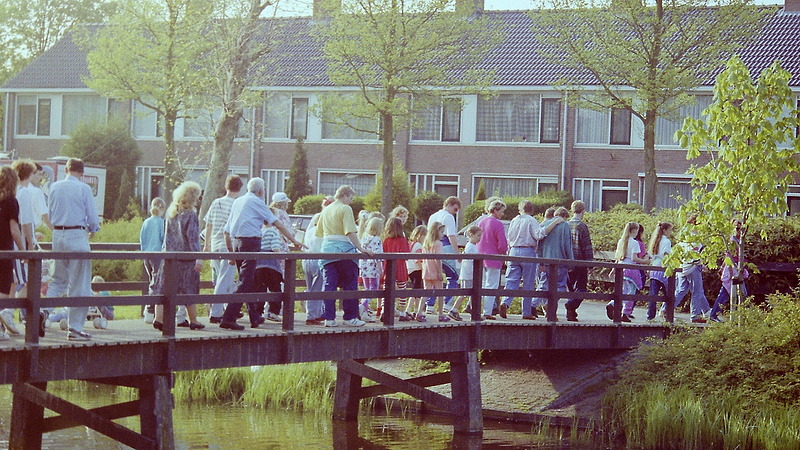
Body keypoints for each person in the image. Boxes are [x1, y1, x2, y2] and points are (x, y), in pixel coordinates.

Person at [219, 178, 304, 330]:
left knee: (247, 281)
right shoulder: (257, 201)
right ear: (260, 191)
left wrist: (231, 252)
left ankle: (254, 316)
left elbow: (226, 231)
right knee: (245, 282)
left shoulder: (238, 201)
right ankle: (228, 318)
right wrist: (293, 240)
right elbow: (277, 223)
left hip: (237, 242)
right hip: (250, 242)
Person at [46, 158, 101, 341]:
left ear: (66, 170)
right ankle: (75, 328)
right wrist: (93, 229)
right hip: (77, 235)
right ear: (82, 172)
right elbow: (92, 217)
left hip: (58, 235)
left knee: (58, 280)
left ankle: (43, 311)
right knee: (80, 283)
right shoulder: (84, 188)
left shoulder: (54, 187)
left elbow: (51, 214)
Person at [152, 181, 205, 331]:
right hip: (186, 259)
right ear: (193, 198)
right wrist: (198, 258)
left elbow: (167, 236)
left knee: (164, 288)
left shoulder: (171, 213)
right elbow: (193, 239)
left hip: (169, 257)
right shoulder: (190, 215)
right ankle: (193, 320)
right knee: (189, 290)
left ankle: (159, 319)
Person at [316, 185, 372, 327]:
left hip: (327, 251)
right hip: (345, 252)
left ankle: (329, 318)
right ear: (345, 195)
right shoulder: (345, 208)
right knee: (350, 285)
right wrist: (361, 248)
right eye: (351, 198)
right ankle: (350, 317)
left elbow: (320, 233)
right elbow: (350, 232)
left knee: (329, 285)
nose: (351, 202)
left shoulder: (326, 209)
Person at [500, 199, 561, 320]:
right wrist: (554, 223)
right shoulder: (531, 220)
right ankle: (526, 312)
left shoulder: (514, 220)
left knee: (511, 280)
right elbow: (539, 234)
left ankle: (505, 302)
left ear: (520, 209)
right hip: (528, 251)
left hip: (513, 251)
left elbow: (509, 238)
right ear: (531, 210)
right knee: (528, 283)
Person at [203, 175, 243, 323]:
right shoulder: (237, 205)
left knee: (223, 278)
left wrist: (207, 245)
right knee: (224, 279)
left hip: (215, 244)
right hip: (228, 245)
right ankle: (216, 312)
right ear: (239, 188)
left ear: (226, 187)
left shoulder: (216, 202)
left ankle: (228, 306)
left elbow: (208, 224)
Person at [606, 222, 651, 322]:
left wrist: (613, 270)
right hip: (631, 269)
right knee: (631, 292)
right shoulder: (634, 242)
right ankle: (625, 313)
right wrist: (646, 261)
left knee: (623, 290)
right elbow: (634, 258)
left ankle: (613, 304)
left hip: (621, 268)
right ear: (634, 231)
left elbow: (618, 257)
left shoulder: (621, 241)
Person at [533, 207, 572, 320]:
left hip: (545, 261)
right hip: (559, 261)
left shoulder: (545, 224)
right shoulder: (564, 226)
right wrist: (570, 262)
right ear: (564, 216)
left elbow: (539, 245)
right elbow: (567, 245)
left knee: (544, 285)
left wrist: (540, 261)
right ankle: (550, 308)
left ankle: (533, 305)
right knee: (560, 286)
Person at [670, 215, 711, 323]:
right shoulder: (695, 239)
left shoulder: (684, 236)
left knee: (681, 290)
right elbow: (695, 256)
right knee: (697, 291)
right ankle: (695, 315)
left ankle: (667, 309)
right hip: (692, 267)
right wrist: (701, 265)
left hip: (683, 266)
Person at [0, 166, 25, 340]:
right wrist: (24, 251)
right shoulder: (11, 201)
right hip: (4, 249)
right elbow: (14, 229)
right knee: (3, 287)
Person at [426, 196, 462, 313]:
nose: (455, 212)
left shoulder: (433, 216)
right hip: (446, 247)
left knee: (434, 277)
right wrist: (457, 254)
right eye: (455, 209)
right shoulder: (448, 217)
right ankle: (447, 303)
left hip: (432, 247)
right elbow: (451, 235)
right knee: (453, 276)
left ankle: (430, 305)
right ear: (450, 205)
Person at [709, 219, 748, 323]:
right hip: (733, 270)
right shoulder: (733, 241)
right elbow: (729, 258)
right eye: (738, 229)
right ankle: (744, 317)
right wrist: (731, 273)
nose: (740, 231)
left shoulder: (739, 241)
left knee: (732, 293)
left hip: (737, 269)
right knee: (736, 293)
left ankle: (743, 317)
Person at [478, 198, 509, 320]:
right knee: (492, 285)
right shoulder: (497, 223)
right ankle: (487, 311)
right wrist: (504, 253)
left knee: (483, 284)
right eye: (501, 211)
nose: (502, 214)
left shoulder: (481, 222)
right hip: (493, 258)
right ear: (495, 210)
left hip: (480, 257)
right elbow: (502, 245)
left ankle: (476, 308)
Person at [565, 200, 593, 322]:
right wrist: (590, 263)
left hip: (567, 261)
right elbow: (586, 245)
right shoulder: (582, 226)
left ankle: (570, 313)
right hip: (580, 261)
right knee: (581, 288)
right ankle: (571, 305)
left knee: (570, 288)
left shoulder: (566, 225)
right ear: (583, 211)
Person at [140, 197, 166, 324]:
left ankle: (148, 310)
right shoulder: (161, 222)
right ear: (162, 209)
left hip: (147, 254)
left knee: (151, 280)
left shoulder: (146, 222)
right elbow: (163, 238)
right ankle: (151, 310)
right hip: (157, 255)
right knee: (156, 283)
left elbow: (142, 239)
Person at [254, 216, 284, 323]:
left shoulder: (259, 231)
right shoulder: (273, 232)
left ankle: (257, 312)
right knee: (275, 289)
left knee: (260, 289)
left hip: (258, 264)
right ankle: (273, 312)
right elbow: (275, 248)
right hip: (271, 265)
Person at [381, 217, 412, 322]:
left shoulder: (386, 240)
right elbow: (406, 254)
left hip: (388, 267)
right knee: (402, 290)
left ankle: (384, 311)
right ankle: (403, 312)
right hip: (400, 267)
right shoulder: (403, 240)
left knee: (387, 289)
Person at [422, 221, 450, 322]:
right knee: (440, 293)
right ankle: (441, 314)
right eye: (442, 232)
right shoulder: (438, 244)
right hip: (435, 270)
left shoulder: (426, 243)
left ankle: (419, 312)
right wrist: (439, 272)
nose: (443, 234)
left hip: (426, 270)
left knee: (426, 292)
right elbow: (438, 259)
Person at [647, 222, 673, 321]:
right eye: (669, 230)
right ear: (664, 230)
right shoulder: (666, 241)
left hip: (654, 266)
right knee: (668, 293)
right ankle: (667, 314)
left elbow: (652, 255)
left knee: (653, 293)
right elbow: (666, 253)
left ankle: (650, 315)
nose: (670, 232)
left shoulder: (655, 240)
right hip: (663, 266)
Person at [302, 211, 325, 325]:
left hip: (306, 259)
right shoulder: (323, 231)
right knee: (317, 288)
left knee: (309, 287)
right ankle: (312, 315)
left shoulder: (309, 231)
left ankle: (314, 313)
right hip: (317, 260)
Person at [359, 217, 383, 322]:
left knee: (366, 288)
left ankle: (364, 309)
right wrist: (380, 269)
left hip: (364, 266)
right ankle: (362, 306)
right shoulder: (376, 239)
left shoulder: (364, 237)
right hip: (372, 267)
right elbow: (377, 255)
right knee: (374, 288)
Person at [455, 225, 482, 321]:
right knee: (464, 294)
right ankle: (454, 310)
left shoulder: (472, 246)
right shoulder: (471, 247)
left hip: (470, 274)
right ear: (471, 235)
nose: (480, 238)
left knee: (472, 294)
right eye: (478, 235)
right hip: (468, 274)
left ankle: (473, 310)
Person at [405, 225, 427, 320]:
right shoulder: (418, 246)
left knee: (417, 290)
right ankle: (409, 309)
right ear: (421, 235)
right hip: (416, 269)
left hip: (409, 268)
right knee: (416, 290)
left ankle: (416, 310)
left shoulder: (411, 244)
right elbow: (418, 259)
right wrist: (424, 269)